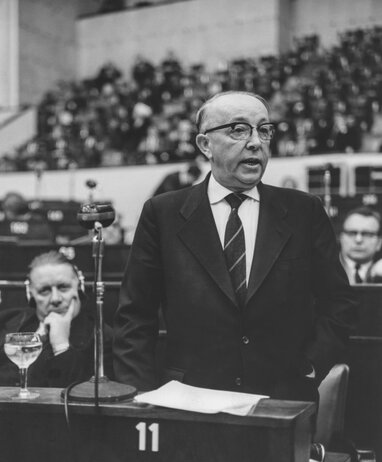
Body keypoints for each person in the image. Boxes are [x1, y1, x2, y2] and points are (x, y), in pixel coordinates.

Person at [114, 90, 356, 402]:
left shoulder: (304, 211)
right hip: (189, 403)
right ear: (205, 145)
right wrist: (139, 398)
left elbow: (339, 302)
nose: (256, 142)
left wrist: (309, 365)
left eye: (264, 130)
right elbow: (135, 315)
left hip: (282, 403)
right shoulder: (163, 214)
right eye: (238, 130)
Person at [0, 251, 113, 387]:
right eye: (44, 290)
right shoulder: (6, 322)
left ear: (79, 287)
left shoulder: (101, 337)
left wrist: (61, 345)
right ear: (30, 294)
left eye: (63, 287)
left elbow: (82, 398)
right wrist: (38, 339)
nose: (55, 299)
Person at [339, 206, 382, 284]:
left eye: (367, 234)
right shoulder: (322, 270)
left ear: (379, 243)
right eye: (352, 233)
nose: (358, 240)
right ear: (341, 238)